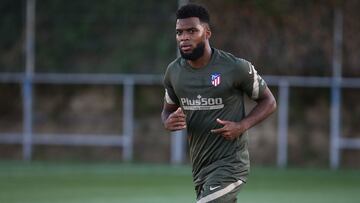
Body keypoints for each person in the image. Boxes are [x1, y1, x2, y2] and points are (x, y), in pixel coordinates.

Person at [161, 4, 277, 203]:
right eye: (179, 32)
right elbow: (166, 112)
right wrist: (168, 121)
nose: (184, 37)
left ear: (207, 33)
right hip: (200, 167)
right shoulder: (174, 72)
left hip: (231, 165)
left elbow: (269, 101)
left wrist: (241, 126)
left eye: (191, 31)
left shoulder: (234, 67)